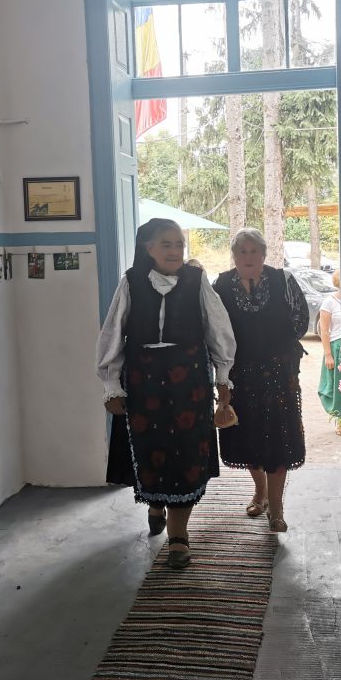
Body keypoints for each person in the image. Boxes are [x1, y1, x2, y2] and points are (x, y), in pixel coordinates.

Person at [97, 218, 235, 568]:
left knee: (186, 451)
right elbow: (113, 332)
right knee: (152, 447)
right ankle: (156, 504)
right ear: (149, 248)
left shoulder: (196, 280)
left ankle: (178, 536)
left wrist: (223, 378)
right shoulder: (131, 282)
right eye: (166, 244)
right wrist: (111, 385)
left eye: (178, 244)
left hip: (189, 380)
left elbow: (218, 328)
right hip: (143, 379)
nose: (174, 251)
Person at [213, 228, 308, 533]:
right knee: (248, 436)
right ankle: (260, 492)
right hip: (239, 375)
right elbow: (213, 330)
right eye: (242, 251)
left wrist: (279, 349)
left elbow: (300, 320)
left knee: (278, 438)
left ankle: (276, 508)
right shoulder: (220, 285)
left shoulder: (283, 280)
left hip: (278, 375)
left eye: (254, 251)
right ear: (233, 255)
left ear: (264, 254)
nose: (248, 256)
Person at [317, 269, 341, 436]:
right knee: (339, 387)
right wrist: (328, 354)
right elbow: (324, 330)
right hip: (336, 348)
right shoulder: (329, 302)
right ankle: (340, 420)